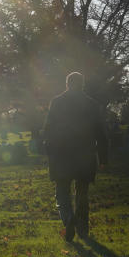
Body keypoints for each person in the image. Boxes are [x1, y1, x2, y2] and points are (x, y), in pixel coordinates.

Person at [43, 72, 108, 242]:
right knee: (82, 193)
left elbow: (49, 128)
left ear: (67, 84)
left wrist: (48, 149)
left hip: (62, 154)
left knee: (62, 192)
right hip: (85, 155)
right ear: (82, 84)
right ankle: (82, 227)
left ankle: (68, 218)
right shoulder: (92, 104)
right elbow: (100, 132)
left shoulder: (57, 102)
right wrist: (103, 158)